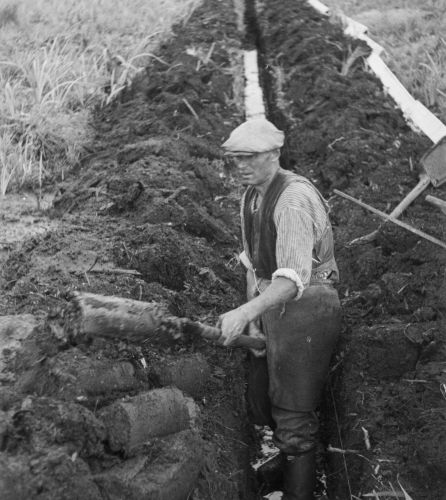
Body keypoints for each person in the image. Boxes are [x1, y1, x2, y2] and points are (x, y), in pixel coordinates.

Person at [218, 118, 342, 500]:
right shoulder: (252, 195)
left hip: (308, 306)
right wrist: (253, 316)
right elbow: (255, 266)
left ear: (274, 154)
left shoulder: (291, 200)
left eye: (250, 157)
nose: (241, 165)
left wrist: (242, 313)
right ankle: (285, 461)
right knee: (261, 398)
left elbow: (291, 280)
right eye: (236, 158)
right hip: (273, 302)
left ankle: (300, 485)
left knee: (293, 408)